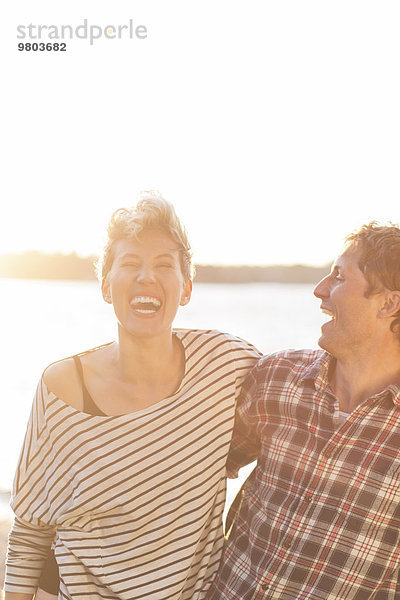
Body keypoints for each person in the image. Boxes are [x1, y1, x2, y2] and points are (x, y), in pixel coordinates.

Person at [4, 192, 260, 600]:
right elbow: (30, 533)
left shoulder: (227, 365)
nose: (146, 278)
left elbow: (303, 397)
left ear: (186, 287)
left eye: (163, 265)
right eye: (129, 264)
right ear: (106, 286)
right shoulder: (61, 389)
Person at [207, 222, 400, 600]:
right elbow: (195, 470)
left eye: (340, 276)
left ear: (389, 303)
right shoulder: (275, 377)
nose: (319, 289)